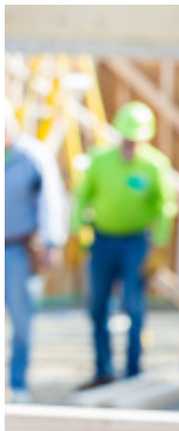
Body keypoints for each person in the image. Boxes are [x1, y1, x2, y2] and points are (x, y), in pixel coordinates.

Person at [73, 101, 177, 390]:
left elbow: (165, 207)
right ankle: (103, 368)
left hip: (136, 241)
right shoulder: (101, 161)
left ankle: (133, 368)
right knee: (97, 305)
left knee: (133, 304)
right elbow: (83, 197)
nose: (131, 145)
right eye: (127, 139)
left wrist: (158, 246)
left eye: (136, 140)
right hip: (103, 238)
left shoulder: (154, 165)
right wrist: (78, 229)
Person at [5, 102, 69, 402]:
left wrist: (51, 242)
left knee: (21, 318)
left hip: (17, 248)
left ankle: (17, 382)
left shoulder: (31, 156)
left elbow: (51, 202)